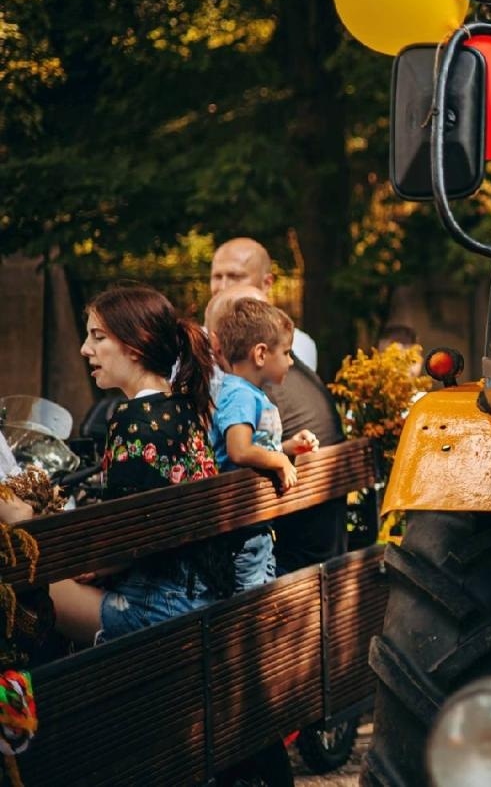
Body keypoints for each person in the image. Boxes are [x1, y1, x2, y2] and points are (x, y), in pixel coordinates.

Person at [44, 285, 238, 644]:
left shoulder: (134, 419)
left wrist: (91, 565)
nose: (85, 349)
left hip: (158, 607)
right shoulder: (184, 404)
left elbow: (122, 545)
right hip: (200, 593)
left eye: (97, 337)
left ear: (134, 346)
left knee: (32, 586)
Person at [208, 286, 347, 572]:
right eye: (286, 352)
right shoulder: (240, 395)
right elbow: (239, 449)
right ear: (260, 354)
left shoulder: (253, 393)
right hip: (240, 521)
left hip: (254, 516)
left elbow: (255, 445)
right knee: (251, 591)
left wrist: (288, 447)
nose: (291, 361)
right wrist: (280, 460)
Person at [209, 237, 319, 373]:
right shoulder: (191, 344)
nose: (223, 287)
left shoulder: (295, 344)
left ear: (266, 283)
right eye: (217, 277)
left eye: (235, 276)